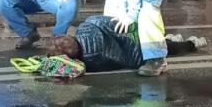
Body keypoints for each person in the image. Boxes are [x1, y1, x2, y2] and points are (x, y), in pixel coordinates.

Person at [51, 16, 199, 73]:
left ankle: (186, 42)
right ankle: (191, 43)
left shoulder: (89, 65)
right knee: (166, 46)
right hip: (139, 40)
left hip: (137, 58)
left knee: (169, 48)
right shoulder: (87, 26)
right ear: (70, 35)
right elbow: (112, 22)